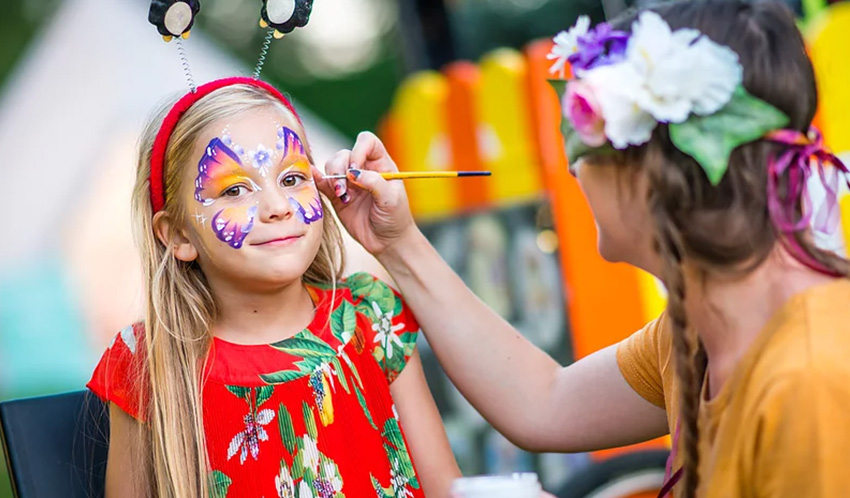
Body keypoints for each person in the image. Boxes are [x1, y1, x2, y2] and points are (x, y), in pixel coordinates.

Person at [317, 1, 850, 497]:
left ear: (649, 173)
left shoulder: (814, 378)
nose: (573, 170)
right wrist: (398, 242)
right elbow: (545, 401)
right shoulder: (701, 328)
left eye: (583, 139)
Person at [87, 77, 460, 498]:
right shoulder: (148, 364)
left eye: (290, 179)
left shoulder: (372, 315)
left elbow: (448, 489)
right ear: (178, 236)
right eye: (235, 189)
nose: (278, 207)